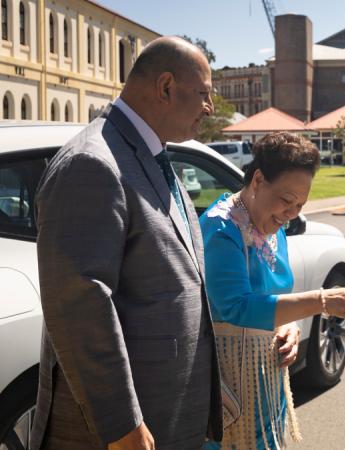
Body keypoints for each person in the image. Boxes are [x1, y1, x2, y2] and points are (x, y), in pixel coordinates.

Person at [33, 37, 221, 450]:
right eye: (204, 94)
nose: (210, 108)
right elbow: (80, 304)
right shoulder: (93, 163)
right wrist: (121, 426)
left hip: (165, 414)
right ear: (166, 87)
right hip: (115, 435)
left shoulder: (148, 155)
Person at [200, 131, 345, 450]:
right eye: (286, 201)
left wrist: (291, 328)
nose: (292, 213)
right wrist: (323, 300)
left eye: (300, 204)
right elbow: (237, 308)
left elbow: (279, 297)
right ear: (257, 180)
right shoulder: (221, 229)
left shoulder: (272, 227)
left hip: (266, 389)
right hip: (228, 392)